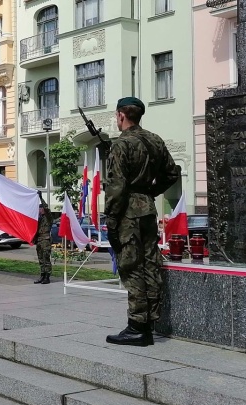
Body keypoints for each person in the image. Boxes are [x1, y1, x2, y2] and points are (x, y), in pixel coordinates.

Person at [104, 96, 180, 347]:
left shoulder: (121, 144)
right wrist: (152, 192)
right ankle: (148, 322)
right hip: (148, 210)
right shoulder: (155, 140)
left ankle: (136, 326)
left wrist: (111, 219)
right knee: (149, 264)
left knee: (132, 266)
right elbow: (172, 173)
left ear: (121, 116)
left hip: (128, 211)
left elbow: (117, 186)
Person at [34, 203, 53, 284]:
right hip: (39, 241)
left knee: (46, 259)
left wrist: (41, 197)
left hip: (45, 241)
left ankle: (47, 277)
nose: (40, 210)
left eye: (41, 208)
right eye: (39, 208)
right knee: (41, 259)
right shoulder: (39, 218)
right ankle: (42, 275)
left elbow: (47, 209)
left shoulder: (48, 218)